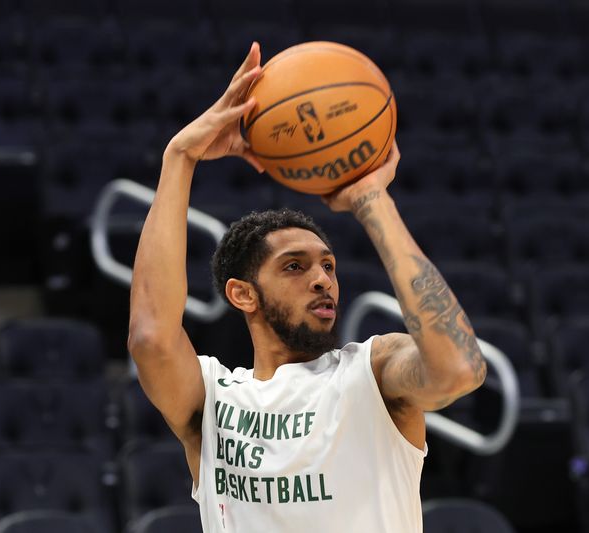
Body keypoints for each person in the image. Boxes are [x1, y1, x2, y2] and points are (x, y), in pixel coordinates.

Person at [127, 42, 487, 533]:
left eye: (329, 266)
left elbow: (459, 371)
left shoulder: (372, 374)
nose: (322, 279)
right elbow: (150, 337)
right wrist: (180, 157)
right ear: (242, 294)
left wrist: (370, 200)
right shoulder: (213, 401)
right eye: (294, 267)